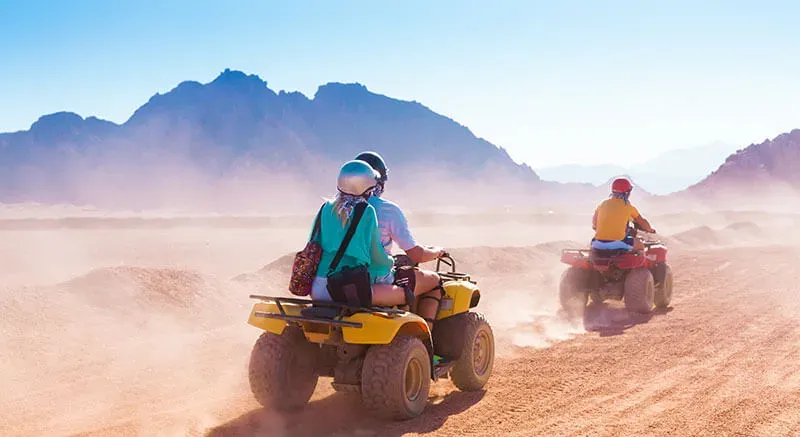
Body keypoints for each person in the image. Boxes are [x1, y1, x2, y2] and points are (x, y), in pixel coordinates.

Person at [309, 159, 441, 329]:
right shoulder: (366, 211)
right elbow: (376, 257)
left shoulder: (325, 208)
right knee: (420, 285)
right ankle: (423, 339)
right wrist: (391, 263)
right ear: (367, 187)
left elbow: (313, 245)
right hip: (349, 290)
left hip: (318, 288)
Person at [353, 151, 445, 322]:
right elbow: (416, 254)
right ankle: (425, 340)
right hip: (374, 281)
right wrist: (437, 252)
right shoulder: (387, 210)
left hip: (336, 280)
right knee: (435, 280)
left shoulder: (334, 208)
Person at [591, 177, 656, 252]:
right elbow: (641, 221)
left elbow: (594, 225)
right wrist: (650, 230)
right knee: (640, 246)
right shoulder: (628, 207)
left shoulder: (602, 204)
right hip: (618, 243)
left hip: (597, 243)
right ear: (627, 192)